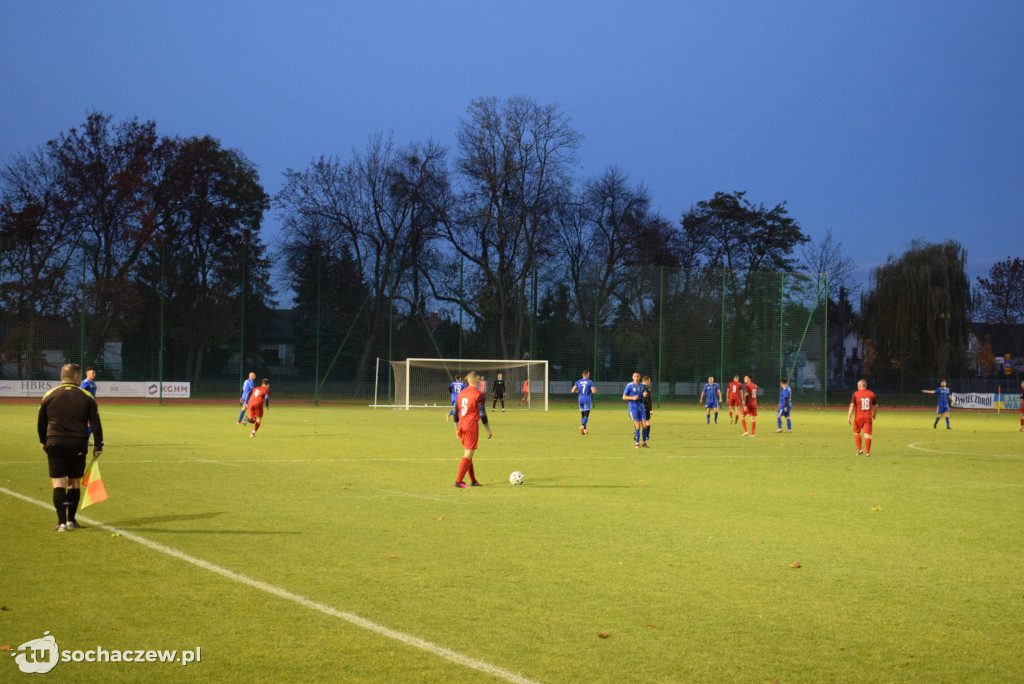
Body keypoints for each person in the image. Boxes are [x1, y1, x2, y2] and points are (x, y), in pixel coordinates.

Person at [37, 363, 103, 531]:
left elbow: (41, 422)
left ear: (62, 377)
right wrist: (98, 444)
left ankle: (61, 523)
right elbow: (95, 423)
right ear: (75, 377)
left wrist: (43, 441)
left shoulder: (49, 394)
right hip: (77, 443)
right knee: (74, 483)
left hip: (55, 442)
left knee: (58, 482)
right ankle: (72, 520)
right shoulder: (86, 395)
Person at [454, 371, 492, 488]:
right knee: (468, 454)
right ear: (477, 381)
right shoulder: (479, 394)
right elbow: (482, 413)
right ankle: (458, 481)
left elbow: (456, 412)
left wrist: (456, 428)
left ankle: (473, 480)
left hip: (461, 424)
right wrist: (487, 428)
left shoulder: (461, 394)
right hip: (471, 425)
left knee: (469, 453)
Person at [848, 378, 877, 456]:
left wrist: (849, 417)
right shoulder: (871, 394)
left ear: (859, 386)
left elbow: (852, 405)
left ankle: (860, 449)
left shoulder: (856, 394)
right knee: (867, 434)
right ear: (865, 386)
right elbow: (876, 406)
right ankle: (867, 452)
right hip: (868, 417)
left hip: (858, 417)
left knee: (857, 433)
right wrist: (874, 414)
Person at [622, 372, 648, 448]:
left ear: (640, 377)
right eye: (635, 376)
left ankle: (643, 442)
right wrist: (632, 398)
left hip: (642, 408)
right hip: (633, 408)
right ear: (632, 377)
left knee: (645, 425)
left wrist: (645, 396)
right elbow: (624, 397)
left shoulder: (642, 386)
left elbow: (644, 397)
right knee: (637, 425)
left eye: (638, 376)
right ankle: (637, 443)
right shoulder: (629, 386)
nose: (636, 377)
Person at [572, 370, 596, 435]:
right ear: (587, 374)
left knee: (583, 415)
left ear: (582, 375)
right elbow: (594, 391)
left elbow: (572, 390)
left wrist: (577, 392)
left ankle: (584, 430)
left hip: (580, 400)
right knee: (586, 415)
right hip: (587, 400)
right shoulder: (590, 382)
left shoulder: (578, 382)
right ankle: (582, 426)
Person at [81, 366, 97, 441]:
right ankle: (84, 439)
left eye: (94, 373)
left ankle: (85, 440)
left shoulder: (93, 383)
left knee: (91, 424)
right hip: (86, 406)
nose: (94, 374)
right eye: (92, 373)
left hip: (92, 406)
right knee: (90, 423)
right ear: (87, 374)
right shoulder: (85, 383)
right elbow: (80, 393)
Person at [641, 375, 653, 444]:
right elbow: (649, 400)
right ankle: (646, 436)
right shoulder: (646, 389)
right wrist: (650, 409)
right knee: (647, 422)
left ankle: (636, 435)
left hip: (638, 407)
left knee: (638, 421)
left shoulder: (638, 387)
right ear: (647, 381)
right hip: (645, 407)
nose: (649, 382)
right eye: (649, 381)